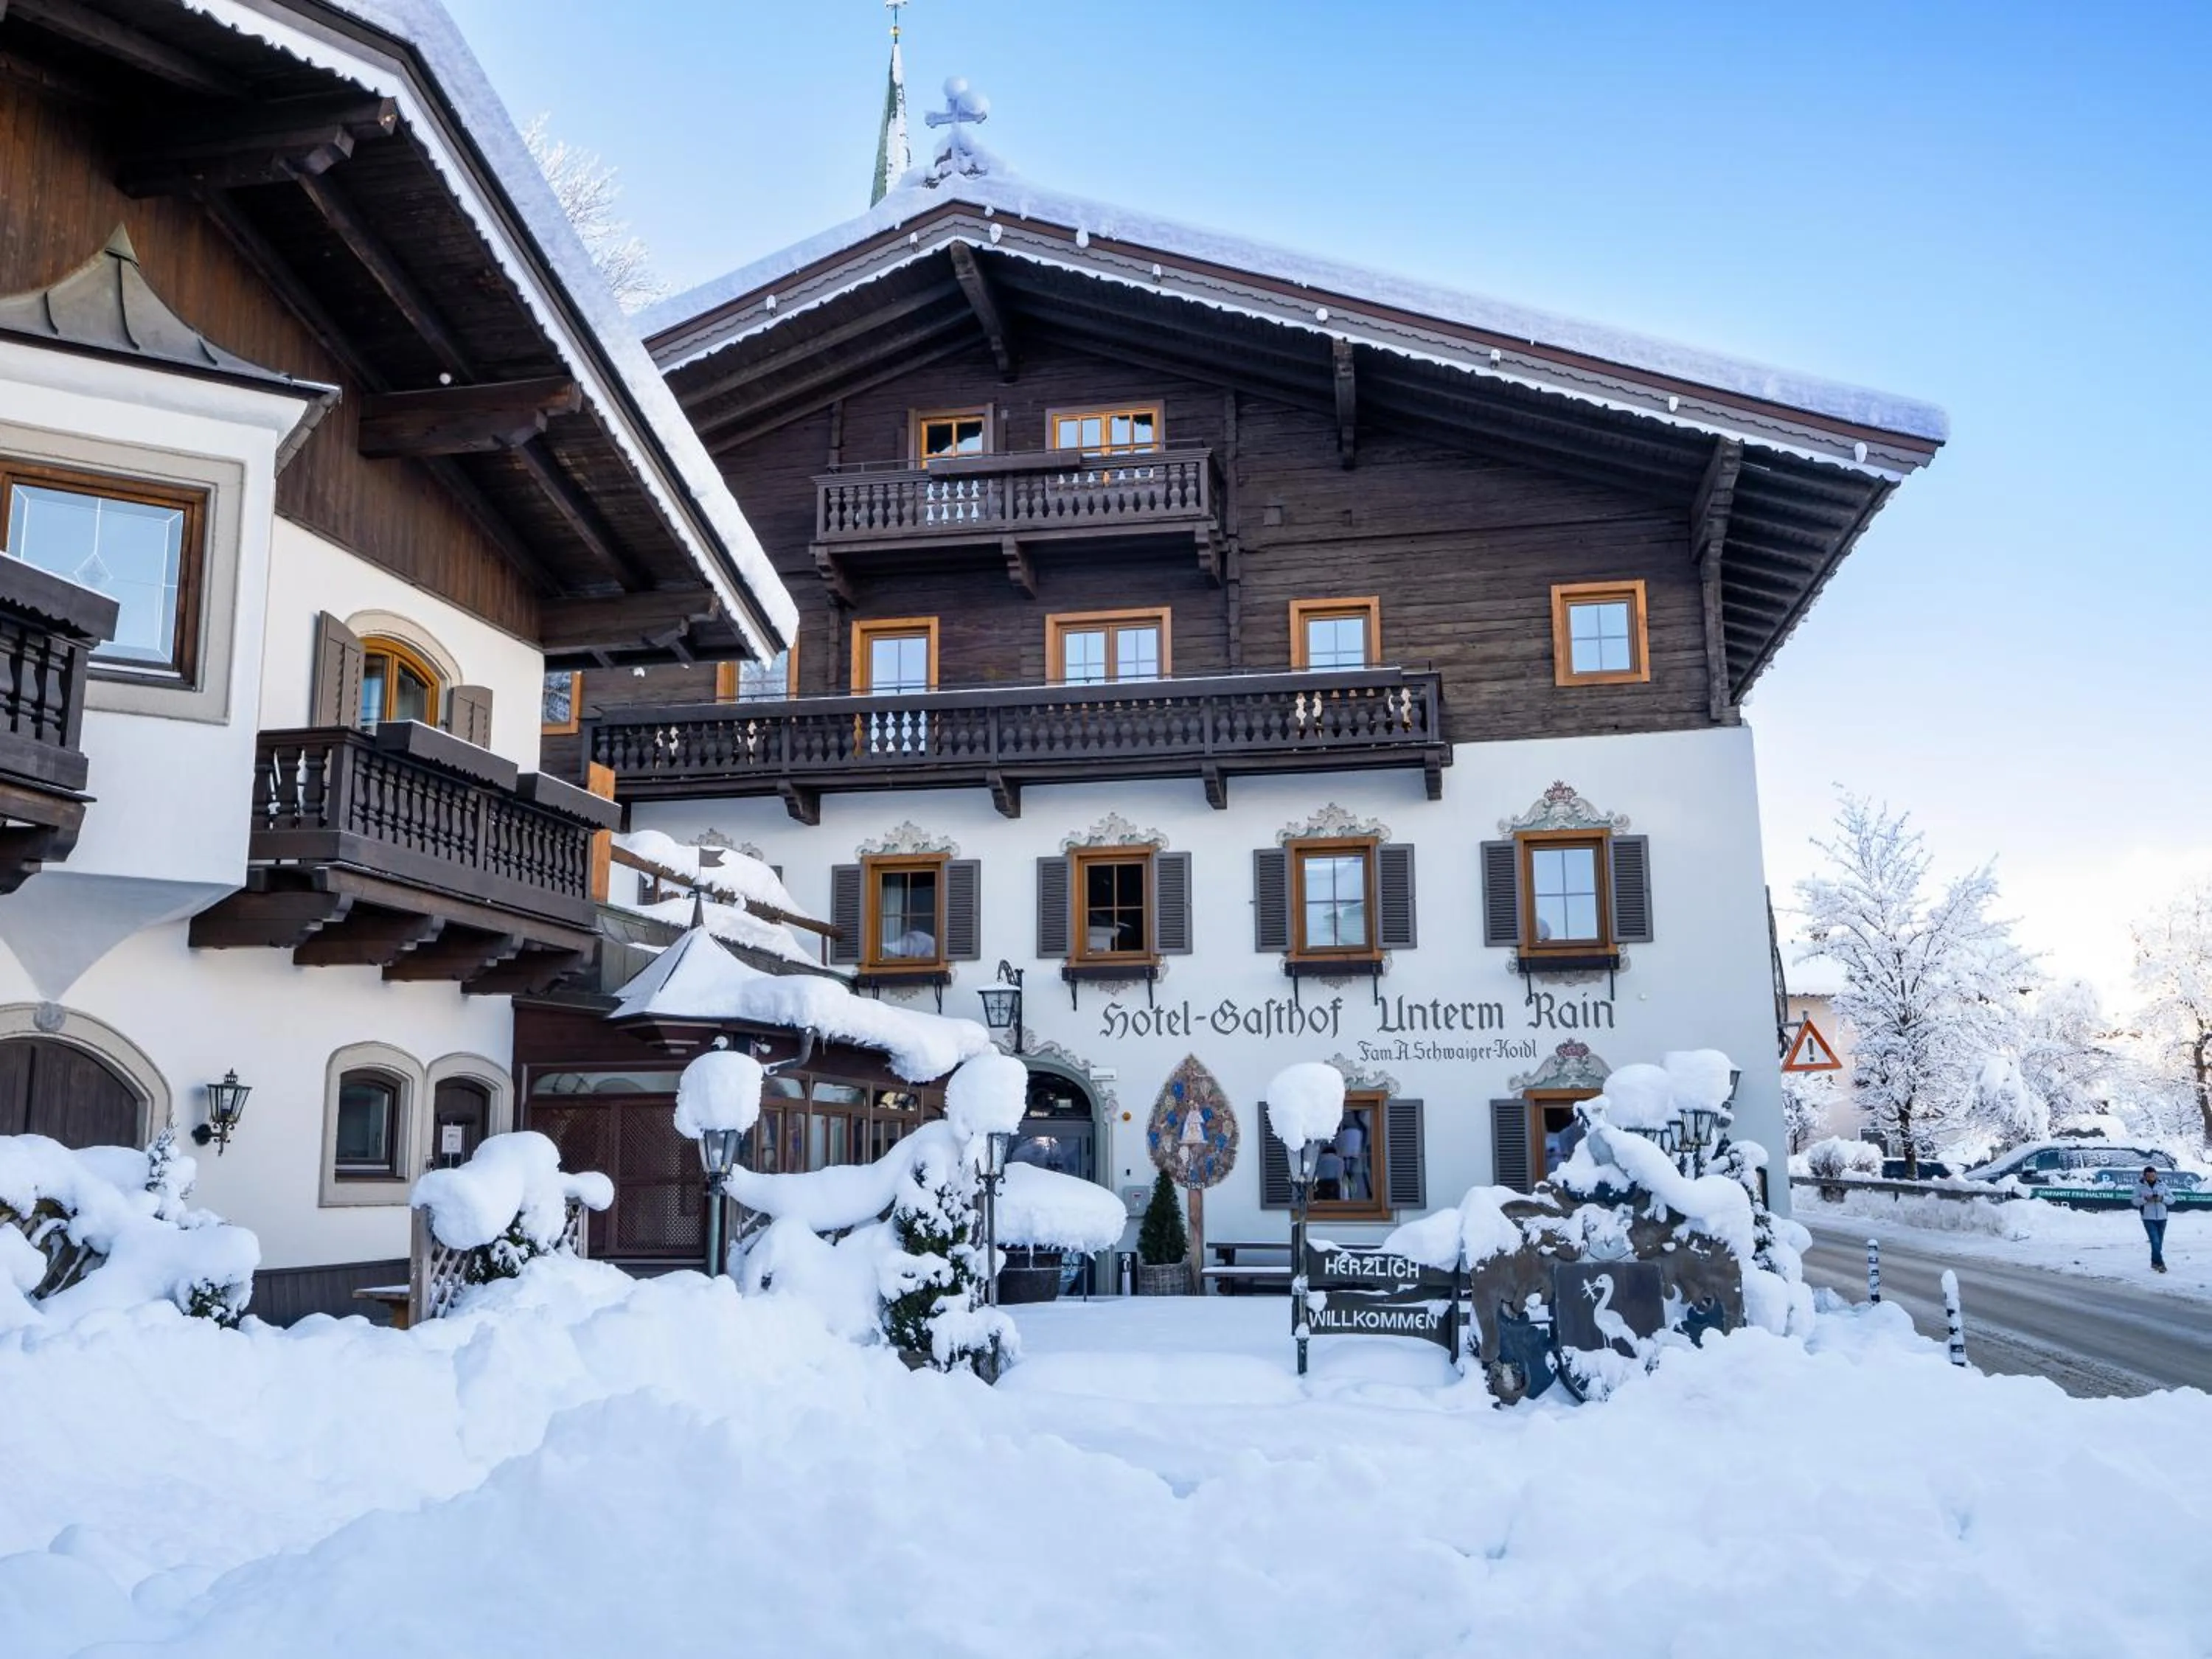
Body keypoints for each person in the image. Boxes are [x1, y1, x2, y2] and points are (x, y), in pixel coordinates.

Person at [2133, 1166, 2172, 1274]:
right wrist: (2145, 1199)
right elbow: (2134, 1201)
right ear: (2145, 1176)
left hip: (2162, 1217)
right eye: (2149, 1176)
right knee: (2155, 1241)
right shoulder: (2140, 1186)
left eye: (2153, 1176)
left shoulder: (2162, 1185)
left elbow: (2173, 1199)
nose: (2151, 1178)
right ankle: (2160, 1264)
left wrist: (2162, 1199)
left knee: (2159, 1243)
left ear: (2156, 1175)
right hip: (2148, 1218)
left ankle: (2154, 1262)